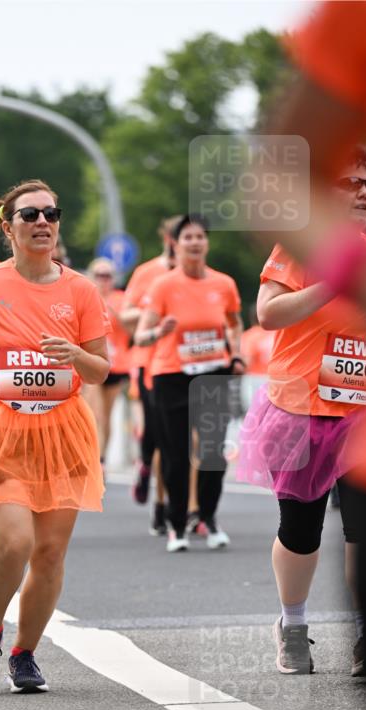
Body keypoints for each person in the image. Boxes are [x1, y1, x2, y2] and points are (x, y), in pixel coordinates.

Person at [0, 179, 110, 692]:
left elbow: (100, 369)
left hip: (62, 429)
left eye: (51, 214)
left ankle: (25, 653)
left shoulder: (80, 290)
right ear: (7, 226)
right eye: (30, 215)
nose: (42, 223)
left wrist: (75, 356)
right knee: (13, 542)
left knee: (50, 552)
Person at [239, 147, 366, 676]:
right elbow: (269, 313)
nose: (364, 193)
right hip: (301, 410)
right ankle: (293, 625)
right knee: (302, 531)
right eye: (351, 182)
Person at [136, 213, 243, 552]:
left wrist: (236, 354)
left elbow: (235, 323)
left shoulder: (223, 284)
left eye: (200, 236)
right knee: (176, 455)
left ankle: (208, 518)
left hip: (213, 373)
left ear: (206, 243)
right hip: (172, 376)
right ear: (176, 244)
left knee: (213, 454)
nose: (195, 242)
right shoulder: (163, 285)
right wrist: (158, 332)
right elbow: (140, 337)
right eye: (188, 237)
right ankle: (176, 524)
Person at [120, 217, 180, 532]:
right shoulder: (147, 273)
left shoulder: (203, 276)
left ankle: (187, 509)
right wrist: (155, 315)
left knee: (189, 442)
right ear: (168, 238)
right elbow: (125, 317)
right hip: (150, 362)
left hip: (191, 365)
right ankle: (157, 491)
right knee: (159, 438)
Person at [83, 258, 130, 468]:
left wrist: (113, 309)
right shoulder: (87, 296)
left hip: (116, 363)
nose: (104, 280)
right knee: (96, 413)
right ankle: (94, 460)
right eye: (100, 275)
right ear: (92, 277)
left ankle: (102, 458)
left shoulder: (121, 298)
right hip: (92, 361)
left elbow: (130, 328)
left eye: (108, 276)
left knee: (107, 415)